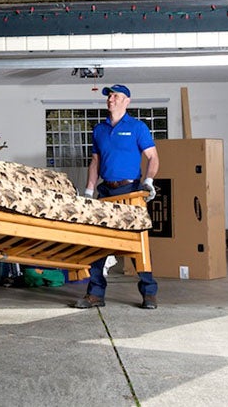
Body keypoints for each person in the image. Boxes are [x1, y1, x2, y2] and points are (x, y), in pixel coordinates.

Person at [73, 84, 160, 310]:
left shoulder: (137, 127)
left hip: (129, 191)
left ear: (127, 101)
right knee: (97, 242)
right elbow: (95, 162)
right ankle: (95, 294)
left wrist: (148, 182)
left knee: (136, 242)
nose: (111, 99)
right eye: (109, 96)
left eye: (116, 96)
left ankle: (149, 293)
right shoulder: (99, 129)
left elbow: (153, 157)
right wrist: (89, 192)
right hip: (105, 191)